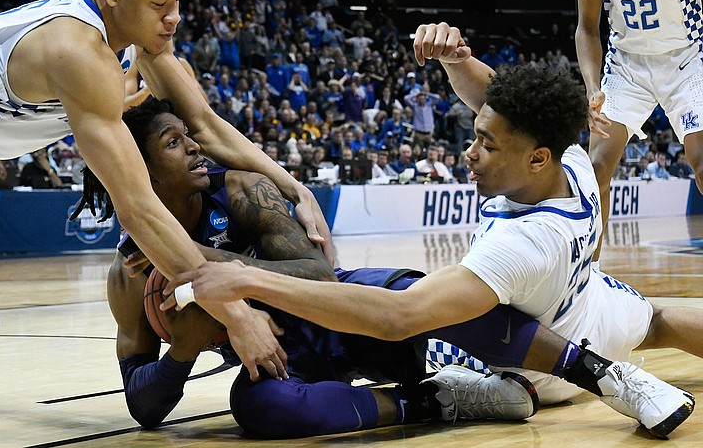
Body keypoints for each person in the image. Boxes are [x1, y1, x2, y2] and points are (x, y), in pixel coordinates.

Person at [174, 23, 700, 439]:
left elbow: (397, 318)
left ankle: (459, 396)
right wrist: (459, 59)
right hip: (592, 312)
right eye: (475, 137)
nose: (469, 153)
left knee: (394, 298)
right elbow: (507, 104)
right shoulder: (571, 161)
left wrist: (246, 278)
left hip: (521, 367)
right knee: (656, 320)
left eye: (486, 147)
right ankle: (609, 369)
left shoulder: (518, 243)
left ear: (538, 157)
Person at [0, 0, 331, 395]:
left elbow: (205, 125)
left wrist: (297, 189)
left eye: (178, 1)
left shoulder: (125, 23)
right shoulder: (78, 51)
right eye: (161, 3)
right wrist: (235, 314)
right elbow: (138, 206)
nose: (175, 17)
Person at [90, 98, 538, 437]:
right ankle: (432, 400)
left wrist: (202, 258)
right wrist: (181, 353)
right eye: (174, 143)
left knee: (421, 300)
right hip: (281, 360)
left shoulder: (245, 190)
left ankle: (574, 362)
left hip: (343, 315)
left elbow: (319, 274)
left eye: (189, 135)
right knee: (262, 411)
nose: (193, 147)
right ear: (142, 174)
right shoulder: (129, 274)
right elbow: (143, 407)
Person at [575, 0, 703, 264]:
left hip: (687, 58)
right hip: (626, 67)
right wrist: (591, 89)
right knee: (596, 168)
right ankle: (588, 276)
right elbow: (586, 29)